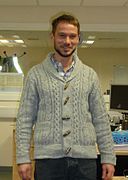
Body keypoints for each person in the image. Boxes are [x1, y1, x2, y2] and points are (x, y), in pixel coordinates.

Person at [16, 12, 116, 180]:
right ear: (52, 36)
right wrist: (22, 157)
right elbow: (25, 119)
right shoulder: (36, 75)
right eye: (62, 35)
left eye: (72, 36)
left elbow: (101, 120)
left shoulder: (89, 75)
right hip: (48, 162)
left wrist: (108, 157)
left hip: (85, 162)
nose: (67, 41)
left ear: (78, 38)